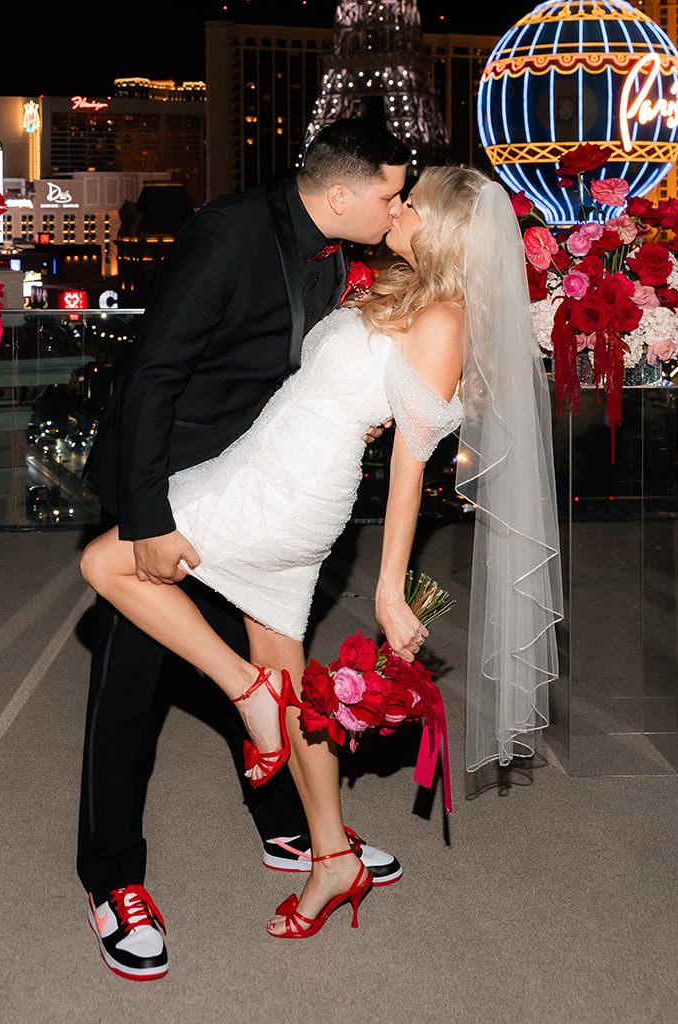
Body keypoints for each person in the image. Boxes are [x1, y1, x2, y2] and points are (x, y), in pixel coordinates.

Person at [83, 166, 562, 948]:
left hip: (288, 488)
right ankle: (331, 856)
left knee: (107, 564)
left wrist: (388, 591)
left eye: (410, 204)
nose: (396, 209)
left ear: (439, 229)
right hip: (266, 465)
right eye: (394, 196)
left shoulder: (443, 317)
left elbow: (411, 465)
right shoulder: (403, 289)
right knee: (294, 681)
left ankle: (243, 692)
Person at [76, 120, 411, 981]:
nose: (397, 206)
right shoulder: (228, 234)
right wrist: (148, 519)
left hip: (256, 487)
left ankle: (288, 833)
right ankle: (111, 879)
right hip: (172, 483)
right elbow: (149, 372)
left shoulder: (339, 248)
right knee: (131, 692)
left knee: (267, 659)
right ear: (340, 194)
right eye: (389, 193)